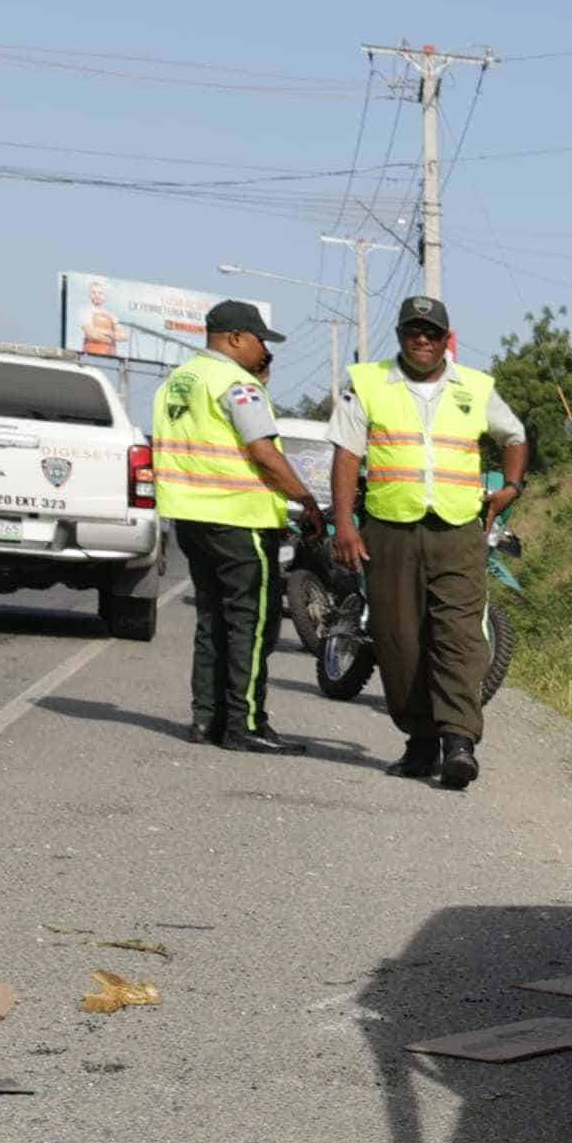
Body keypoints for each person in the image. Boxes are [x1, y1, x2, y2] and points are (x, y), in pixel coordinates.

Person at [330, 296, 530, 790]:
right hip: (389, 529)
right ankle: (420, 741)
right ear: (399, 336)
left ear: (446, 339)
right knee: (398, 638)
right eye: (413, 331)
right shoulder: (367, 383)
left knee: (459, 636)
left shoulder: (475, 386)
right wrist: (344, 524)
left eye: (432, 333)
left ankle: (459, 742)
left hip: (458, 531)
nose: (422, 340)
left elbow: (515, 435)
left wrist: (511, 486)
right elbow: (346, 455)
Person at [150, 302, 325, 752]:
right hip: (238, 518)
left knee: (212, 618)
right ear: (233, 338)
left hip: (190, 517)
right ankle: (245, 723)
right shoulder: (236, 384)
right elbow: (263, 451)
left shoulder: (178, 380)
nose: (264, 350)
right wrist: (304, 499)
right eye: (260, 340)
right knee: (252, 621)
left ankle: (205, 719)